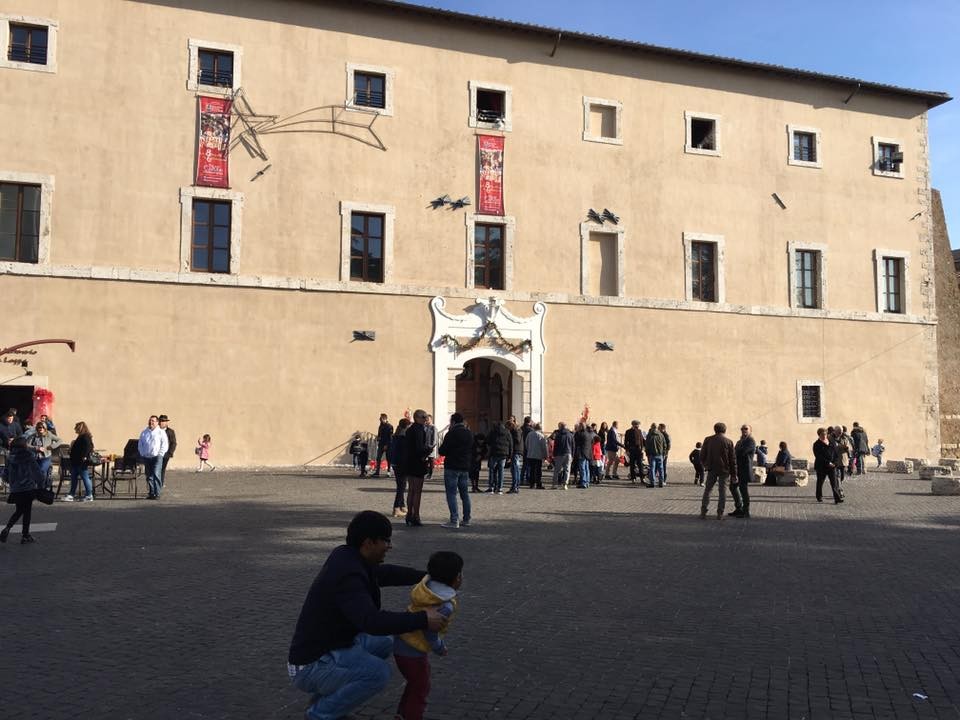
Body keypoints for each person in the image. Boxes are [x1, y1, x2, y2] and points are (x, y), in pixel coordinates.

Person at [287, 510, 447, 720]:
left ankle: (327, 704)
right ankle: (319, 715)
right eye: (385, 540)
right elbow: (372, 621)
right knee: (378, 674)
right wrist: (423, 619)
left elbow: (386, 574)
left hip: (332, 646)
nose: (389, 546)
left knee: (384, 642)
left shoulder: (348, 556)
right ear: (368, 543)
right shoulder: (348, 575)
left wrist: (428, 579)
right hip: (310, 664)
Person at [393, 551, 463, 720]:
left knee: (415, 682)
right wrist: (440, 647)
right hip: (414, 649)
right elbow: (430, 631)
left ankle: (403, 713)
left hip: (401, 641)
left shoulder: (425, 588)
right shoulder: (445, 605)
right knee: (421, 687)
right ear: (457, 578)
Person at [1, 437, 45, 544]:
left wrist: (11, 482)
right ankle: (24, 535)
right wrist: (41, 484)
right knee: (26, 512)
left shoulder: (10, 458)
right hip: (28, 488)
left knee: (19, 510)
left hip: (16, 489)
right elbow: (37, 472)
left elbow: (5, 474)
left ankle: (9, 528)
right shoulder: (29, 456)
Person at [437, 413, 473, 529]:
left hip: (452, 466)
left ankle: (454, 520)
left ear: (453, 422)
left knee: (451, 494)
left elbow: (442, 451)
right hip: (464, 467)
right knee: (465, 494)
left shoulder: (451, 434)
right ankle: (466, 519)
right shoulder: (469, 433)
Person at [699, 422, 736, 520]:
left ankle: (703, 511)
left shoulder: (708, 440)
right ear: (725, 430)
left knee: (708, 490)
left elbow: (702, 455)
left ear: (715, 429)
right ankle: (720, 513)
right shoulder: (728, 442)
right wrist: (734, 473)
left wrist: (706, 465)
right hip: (724, 469)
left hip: (712, 468)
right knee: (722, 492)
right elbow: (732, 459)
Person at [403, 410, 431, 526]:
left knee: (411, 490)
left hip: (409, 462)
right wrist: (428, 450)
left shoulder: (409, 429)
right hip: (418, 462)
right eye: (424, 417)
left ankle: (409, 514)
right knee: (417, 491)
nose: (426, 419)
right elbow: (419, 448)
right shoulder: (419, 430)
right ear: (417, 418)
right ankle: (416, 516)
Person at [138, 415, 169, 500]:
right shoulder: (144, 432)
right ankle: (151, 493)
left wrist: (160, 453)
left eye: (153, 421)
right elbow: (140, 444)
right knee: (149, 476)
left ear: (157, 422)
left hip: (157, 457)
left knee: (156, 474)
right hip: (147, 457)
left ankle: (157, 493)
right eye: (150, 420)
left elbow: (165, 444)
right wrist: (142, 453)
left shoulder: (161, 432)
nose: (151, 422)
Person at [65, 421, 95, 502]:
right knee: (74, 478)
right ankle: (71, 494)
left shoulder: (85, 436)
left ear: (80, 428)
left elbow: (88, 447)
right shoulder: (81, 436)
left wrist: (84, 456)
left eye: (76, 427)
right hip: (76, 461)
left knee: (85, 478)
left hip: (81, 462)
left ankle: (89, 495)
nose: (75, 429)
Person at [730, 424, 756, 518]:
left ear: (750, 431)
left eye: (746, 428)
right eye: (742, 428)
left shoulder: (751, 441)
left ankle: (746, 511)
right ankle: (739, 508)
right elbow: (734, 452)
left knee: (743, 489)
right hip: (737, 468)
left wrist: (735, 452)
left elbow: (742, 452)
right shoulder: (739, 441)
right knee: (732, 487)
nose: (743, 430)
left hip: (744, 469)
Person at [813, 427, 843, 504]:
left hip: (832, 466)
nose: (824, 436)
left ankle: (837, 498)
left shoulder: (831, 442)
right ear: (819, 435)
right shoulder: (816, 444)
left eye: (825, 434)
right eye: (822, 434)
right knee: (820, 482)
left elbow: (836, 453)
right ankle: (819, 496)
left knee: (834, 483)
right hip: (821, 466)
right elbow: (818, 456)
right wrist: (828, 463)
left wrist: (835, 463)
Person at [388, 418, 410, 517]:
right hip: (402, 464)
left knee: (400, 485)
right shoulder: (403, 437)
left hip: (395, 463)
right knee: (401, 487)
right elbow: (404, 453)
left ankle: (402, 505)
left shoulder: (395, 436)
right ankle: (396, 507)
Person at [485, 420, 512, 495]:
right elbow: (511, 444)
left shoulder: (493, 432)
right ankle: (500, 488)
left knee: (492, 470)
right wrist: (510, 456)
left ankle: (491, 487)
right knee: (501, 471)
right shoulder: (507, 432)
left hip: (494, 453)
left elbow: (487, 441)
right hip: (503, 454)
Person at [551, 421, 574, 489]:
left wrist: (554, 454)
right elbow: (573, 446)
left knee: (557, 470)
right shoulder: (570, 435)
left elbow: (556, 446)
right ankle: (565, 484)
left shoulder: (558, 435)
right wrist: (572, 455)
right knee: (567, 470)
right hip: (568, 453)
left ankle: (555, 484)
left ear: (560, 427)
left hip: (559, 454)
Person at [524, 422, 547, 489]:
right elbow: (544, 447)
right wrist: (545, 455)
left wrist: (529, 450)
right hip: (538, 455)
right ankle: (538, 483)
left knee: (532, 470)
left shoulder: (529, 434)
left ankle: (532, 484)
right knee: (538, 471)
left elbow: (526, 444)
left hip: (530, 455)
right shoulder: (541, 436)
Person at [574, 423, 596, 489]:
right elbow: (592, 443)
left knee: (582, 468)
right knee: (586, 468)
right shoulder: (588, 434)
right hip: (588, 453)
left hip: (582, 453)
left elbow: (576, 442)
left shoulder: (580, 434)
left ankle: (583, 482)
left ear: (581, 427)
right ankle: (587, 482)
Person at [506, 417, 524, 494]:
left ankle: (515, 486)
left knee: (515, 469)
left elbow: (517, 440)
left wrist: (510, 440)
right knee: (515, 469)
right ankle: (515, 486)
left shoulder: (516, 431)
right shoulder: (517, 430)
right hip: (517, 451)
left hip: (516, 451)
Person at [159, 414, 177, 489]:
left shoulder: (170, 431)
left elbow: (173, 443)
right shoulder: (156, 430)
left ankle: (161, 483)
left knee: (162, 468)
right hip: (156, 453)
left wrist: (170, 453)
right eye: (160, 421)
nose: (161, 423)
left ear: (166, 422)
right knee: (156, 468)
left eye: (163, 421)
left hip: (166, 454)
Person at [645, 423, 666, 487]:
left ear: (652, 427)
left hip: (652, 454)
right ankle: (661, 483)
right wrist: (664, 453)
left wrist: (647, 454)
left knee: (652, 469)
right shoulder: (661, 435)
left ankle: (652, 483)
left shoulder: (649, 435)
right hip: (660, 454)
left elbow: (647, 445)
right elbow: (664, 445)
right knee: (661, 469)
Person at [424, 414, 438, 480]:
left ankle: (430, 474)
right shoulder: (425, 426)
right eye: (426, 419)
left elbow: (434, 438)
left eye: (428, 419)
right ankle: (426, 473)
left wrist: (432, 446)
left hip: (431, 447)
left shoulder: (433, 427)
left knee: (431, 460)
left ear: (431, 420)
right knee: (426, 461)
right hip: (425, 447)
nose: (427, 420)